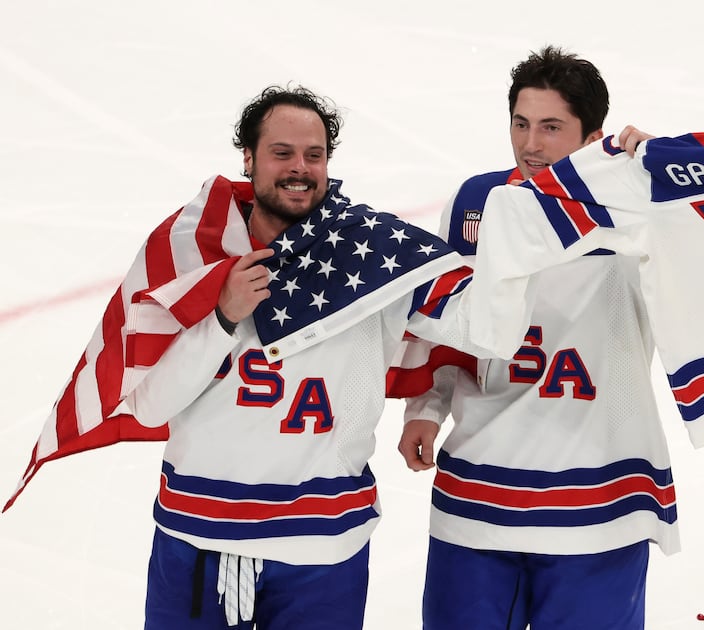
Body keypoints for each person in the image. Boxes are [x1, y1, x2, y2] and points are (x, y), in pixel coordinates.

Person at [8, 85, 530, 630]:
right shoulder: (189, 249)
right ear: (249, 159)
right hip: (199, 537)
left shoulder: (375, 254)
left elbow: (491, 331)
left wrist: (535, 225)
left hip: (322, 548)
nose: (299, 169)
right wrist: (223, 318)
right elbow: (151, 406)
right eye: (282, 153)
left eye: (314, 155)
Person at [396, 45, 671, 630]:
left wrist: (656, 180)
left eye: (551, 128)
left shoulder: (640, 208)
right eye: (521, 124)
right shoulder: (478, 202)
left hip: (600, 500)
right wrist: (427, 406)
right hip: (477, 493)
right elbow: (451, 320)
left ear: (592, 137)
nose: (530, 145)